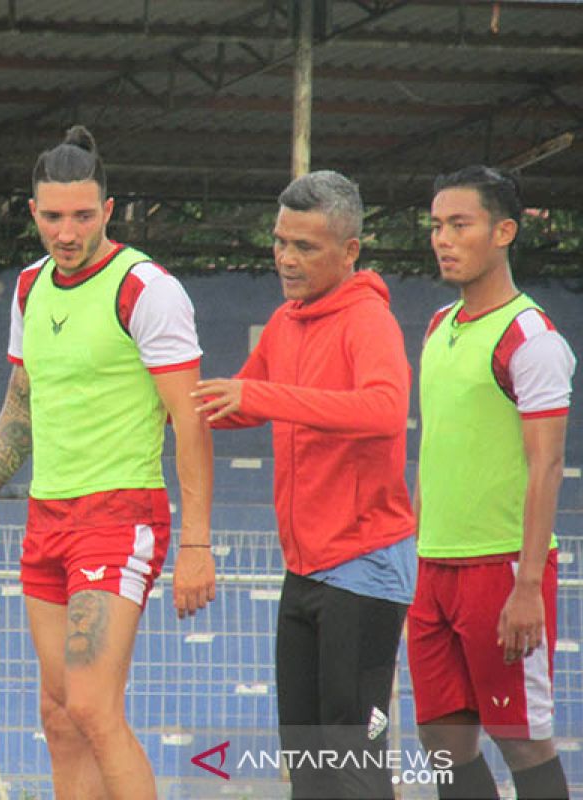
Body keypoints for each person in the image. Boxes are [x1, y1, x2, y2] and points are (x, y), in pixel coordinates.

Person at [0, 125, 215, 800]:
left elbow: (190, 420)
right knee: (60, 715)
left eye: (80, 216)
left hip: (119, 516)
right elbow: (22, 399)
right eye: (50, 216)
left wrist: (196, 542)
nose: (64, 232)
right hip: (48, 516)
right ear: (33, 211)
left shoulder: (146, 289)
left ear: (107, 209)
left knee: (95, 708)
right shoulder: (28, 288)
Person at [195, 170, 415, 799]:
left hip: (365, 562)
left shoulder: (368, 320)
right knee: (307, 754)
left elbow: (382, 410)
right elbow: (239, 404)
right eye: (280, 242)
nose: (286, 259)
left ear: (350, 252)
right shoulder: (287, 319)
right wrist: (168, 397)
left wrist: (258, 393)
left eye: (305, 247)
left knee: (352, 754)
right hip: (307, 564)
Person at [409, 166, 575, 800]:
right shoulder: (436, 327)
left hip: (501, 571)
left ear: (503, 232)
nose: (443, 239)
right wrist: (414, 555)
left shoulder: (529, 338)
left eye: (460, 225)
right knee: (441, 742)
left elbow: (547, 466)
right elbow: (436, 447)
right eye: (435, 226)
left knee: (521, 739)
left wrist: (527, 584)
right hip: (434, 570)